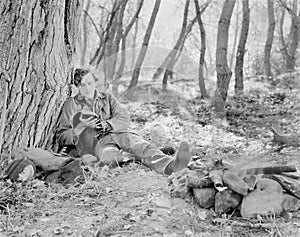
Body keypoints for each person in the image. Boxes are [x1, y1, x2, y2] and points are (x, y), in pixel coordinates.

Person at [56, 68, 191, 175]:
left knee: (138, 145)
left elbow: (124, 118)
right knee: (108, 158)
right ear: (77, 87)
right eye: (82, 85)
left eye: (90, 83)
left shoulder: (107, 97)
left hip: (117, 133)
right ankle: (141, 158)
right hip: (98, 142)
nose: (87, 88)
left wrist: (107, 124)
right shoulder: (71, 104)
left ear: (95, 82)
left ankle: (172, 166)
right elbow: (62, 135)